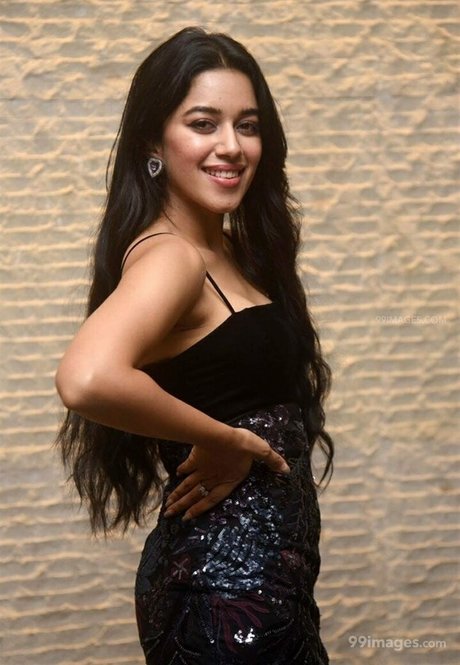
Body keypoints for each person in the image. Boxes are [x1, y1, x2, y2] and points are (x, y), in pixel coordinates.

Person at [55, 26, 334, 665]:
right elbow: (86, 378)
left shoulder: (232, 250)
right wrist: (226, 440)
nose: (231, 146)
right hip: (225, 599)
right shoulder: (172, 258)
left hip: (265, 588)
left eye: (248, 125)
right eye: (203, 124)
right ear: (153, 142)